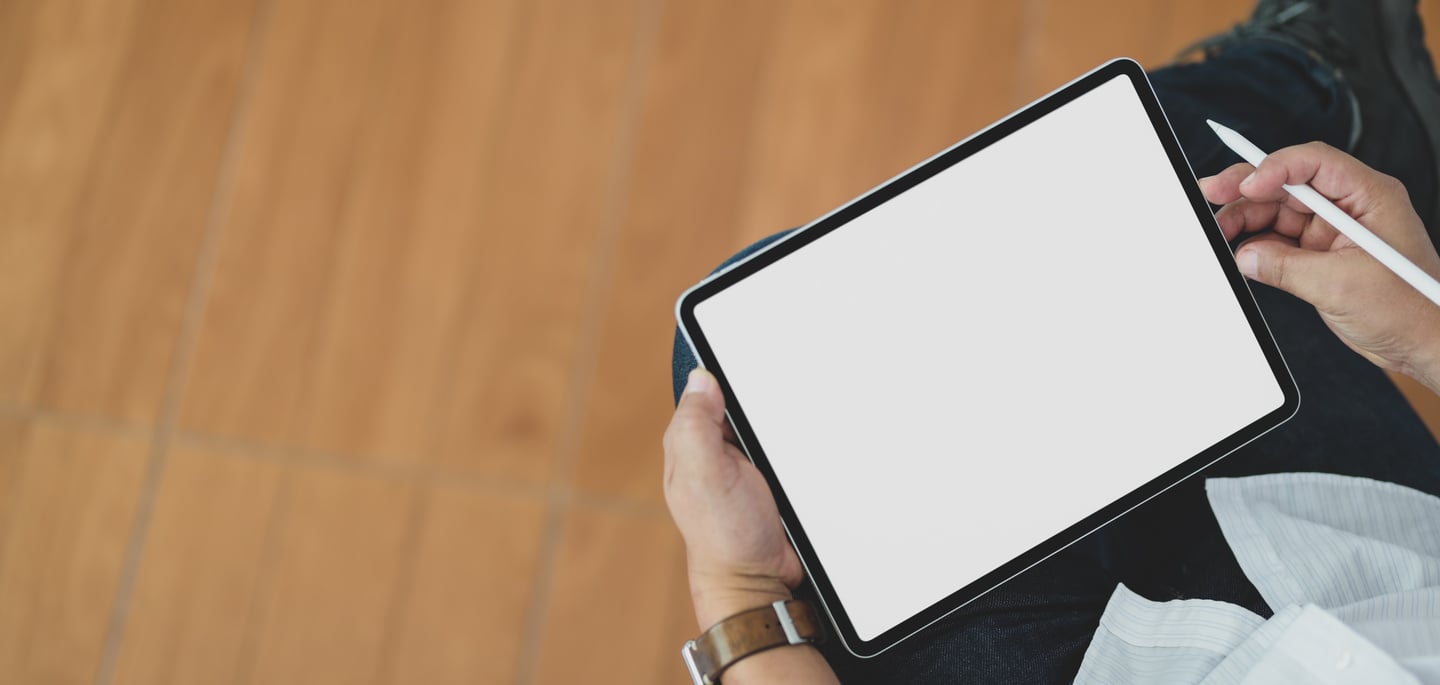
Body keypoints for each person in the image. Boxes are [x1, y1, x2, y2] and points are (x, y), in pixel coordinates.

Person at [665, 0, 1440, 682]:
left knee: (743, 370)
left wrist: (742, 590)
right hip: (1374, 577)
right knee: (1196, 180)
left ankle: (1318, 85)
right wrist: (1423, 331)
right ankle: (1341, 95)